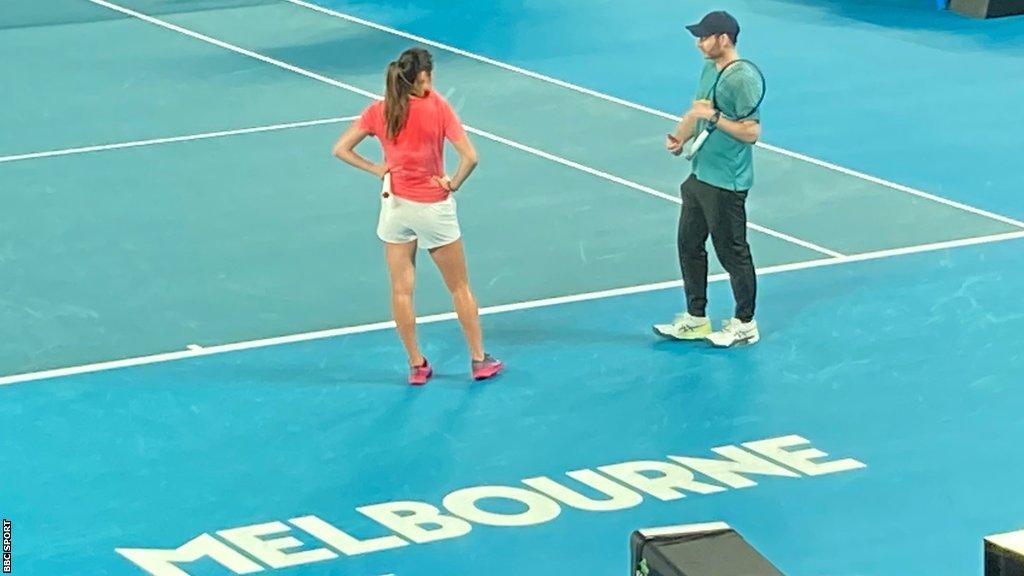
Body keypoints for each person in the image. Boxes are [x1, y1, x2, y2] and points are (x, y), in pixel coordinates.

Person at [333, 47, 504, 384]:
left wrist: (377, 168)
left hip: (395, 208)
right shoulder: (438, 106)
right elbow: (471, 157)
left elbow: (340, 149)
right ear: (422, 77)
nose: (431, 83)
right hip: (433, 209)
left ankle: (416, 365)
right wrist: (452, 183)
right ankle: (479, 360)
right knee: (460, 288)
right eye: (428, 78)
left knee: (401, 291)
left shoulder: (380, 110)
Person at [653, 11, 762, 348]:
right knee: (689, 245)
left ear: (724, 39)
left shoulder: (741, 78)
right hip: (701, 175)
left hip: (727, 182)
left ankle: (745, 323)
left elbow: (751, 132)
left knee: (732, 253)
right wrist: (680, 136)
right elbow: (697, 109)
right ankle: (696, 318)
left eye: (705, 37)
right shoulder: (708, 69)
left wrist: (713, 116)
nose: (699, 43)